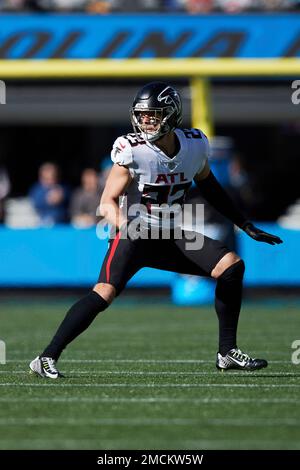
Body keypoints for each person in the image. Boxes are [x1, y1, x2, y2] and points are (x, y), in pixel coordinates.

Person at [29, 81, 282, 379]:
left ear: (172, 115)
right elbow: (107, 201)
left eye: (153, 114)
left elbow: (211, 187)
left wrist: (244, 224)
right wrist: (125, 226)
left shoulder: (194, 145)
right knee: (104, 293)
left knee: (231, 267)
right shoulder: (132, 150)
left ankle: (227, 353)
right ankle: (46, 357)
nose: (145, 120)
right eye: (142, 115)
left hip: (170, 234)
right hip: (134, 235)